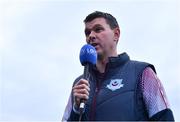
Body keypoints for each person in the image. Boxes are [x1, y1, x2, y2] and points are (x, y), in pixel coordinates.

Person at [62, 11, 174, 121]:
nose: (91, 36)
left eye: (98, 29)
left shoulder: (142, 73)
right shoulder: (79, 84)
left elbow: (164, 117)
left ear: (116, 34)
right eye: (87, 32)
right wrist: (76, 110)